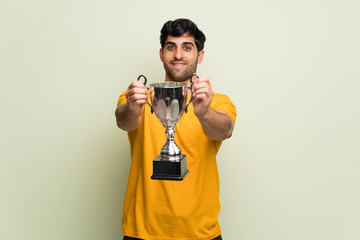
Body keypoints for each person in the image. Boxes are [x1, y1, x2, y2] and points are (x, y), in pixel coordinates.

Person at [115, 18, 236, 240]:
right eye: (171, 47)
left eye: (187, 47)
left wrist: (204, 112)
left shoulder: (216, 101)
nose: (178, 55)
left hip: (200, 233)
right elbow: (124, 121)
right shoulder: (139, 96)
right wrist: (132, 107)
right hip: (142, 232)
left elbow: (224, 130)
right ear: (161, 54)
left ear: (199, 55)